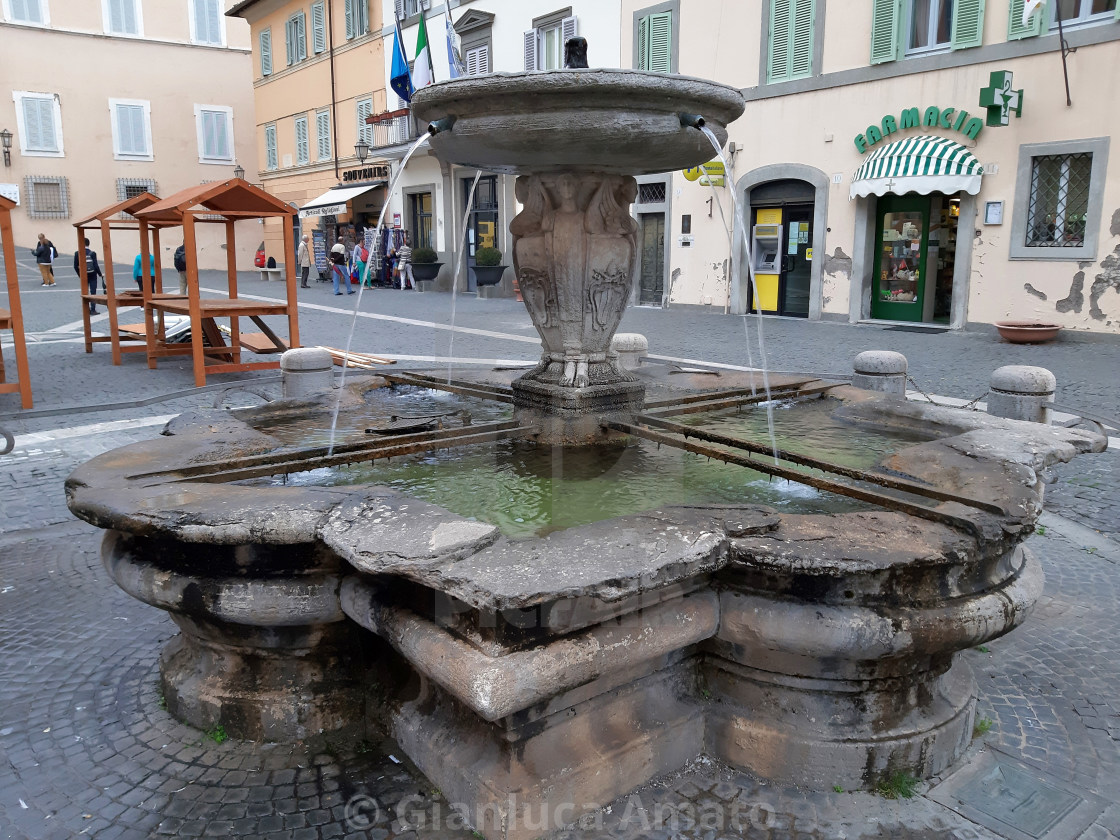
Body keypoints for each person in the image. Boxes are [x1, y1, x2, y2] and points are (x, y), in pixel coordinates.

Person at [73, 238, 104, 314]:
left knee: (85, 293)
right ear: (88, 244)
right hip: (93, 275)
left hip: (84, 275)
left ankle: (86, 309)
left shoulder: (77, 253)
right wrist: (100, 274)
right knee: (93, 292)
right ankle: (93, 309)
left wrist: (80, 275)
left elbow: (75, 266)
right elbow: (96, 265)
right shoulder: (92, 253)